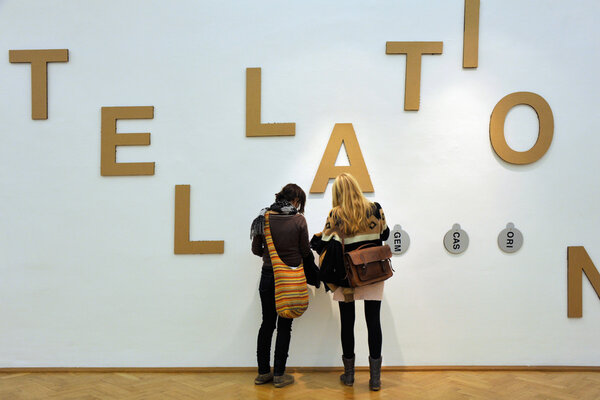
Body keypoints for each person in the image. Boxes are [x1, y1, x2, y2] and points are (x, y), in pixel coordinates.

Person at [310, 173, 390, 391]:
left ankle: (349, 376)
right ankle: (375, 379)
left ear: (337, 193)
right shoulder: (376, 208)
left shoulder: (336, 214)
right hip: (373, 273)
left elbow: (322, 243)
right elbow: (385, 233)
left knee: (348, 323)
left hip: (347, 278)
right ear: (356, 187)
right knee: (374, 322)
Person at [250, 183, 319, 388]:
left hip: (268, 277)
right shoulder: (298, 220)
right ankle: (279, 375)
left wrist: (270, 254)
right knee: (284, 326)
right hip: (291, 278)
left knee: (267, 324)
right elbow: (305, 251)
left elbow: (255, 250)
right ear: (296, 200)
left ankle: (263, 373)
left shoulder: (264, 217)